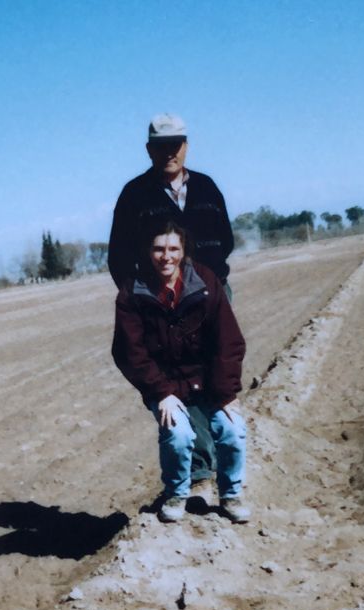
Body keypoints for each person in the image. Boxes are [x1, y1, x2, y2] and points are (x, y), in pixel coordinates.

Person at [108, 113, 236, 486]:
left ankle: (214, 463)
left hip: (210, 298)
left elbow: (224, 241)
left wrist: (216, 285)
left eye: (176, 143)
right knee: (175, 378)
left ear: (186, 145)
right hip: (162, 306)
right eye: (161, 145)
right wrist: (141, 298)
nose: (169, 151)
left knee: (213, 371)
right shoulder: (135, 195)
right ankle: (195, 471)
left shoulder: (208, 189)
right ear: (149, 149)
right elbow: (118, 257)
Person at [112, 220, 250, 524]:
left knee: (233, 431)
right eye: (158, 249)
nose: (166, 256)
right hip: (165, 386)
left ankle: (231, 495)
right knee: (177, 434)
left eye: (173, 248)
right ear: (148, 252)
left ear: (184, 251)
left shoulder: (205, 281)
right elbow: (129, 352)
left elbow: (229, 341)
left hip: (210, 381)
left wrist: (226, 393)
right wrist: (161, 393)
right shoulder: (133, 293)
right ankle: (176, 493)